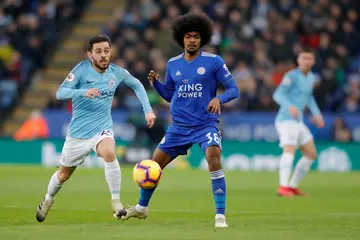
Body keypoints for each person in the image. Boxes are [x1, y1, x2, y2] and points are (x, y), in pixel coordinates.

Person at [121, 13, 239, 228]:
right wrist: (157, 84)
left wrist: (218, 99)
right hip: (179, 127)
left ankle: (220, 215)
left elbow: (234, 90)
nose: (192, 40)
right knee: (154, 164)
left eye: (196, 36)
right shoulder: (173, 64)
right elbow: (170, 95)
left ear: (202, 39)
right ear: (181, 39)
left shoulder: (214, 62)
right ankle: (141, 208)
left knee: (214, 156)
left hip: (205, 124)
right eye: (188, 36)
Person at [35, 35, 156, 222]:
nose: (103, 55)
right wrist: (83, 92)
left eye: (106, 51)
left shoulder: (116, 72)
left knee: (109, 152)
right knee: (63, 175)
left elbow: (138, 85)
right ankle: (48, 198)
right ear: (90, 55)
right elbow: (60, 93)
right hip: (78, 134)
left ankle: (116, 201)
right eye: (98, 51)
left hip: (102, 128)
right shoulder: (81, 70)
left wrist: (148, 111)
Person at [273, 47, 325, 197]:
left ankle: (293, 186)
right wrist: (290, 106)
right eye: (304, 58)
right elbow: (277, 95)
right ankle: (283, 187)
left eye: (310, 58)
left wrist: (317, 114)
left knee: (311, 153)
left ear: (313, 61)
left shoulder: (311, 77)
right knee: (289, 149)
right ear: (299, 60)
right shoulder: (291, 76)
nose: (307, 61)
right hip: (286, 120)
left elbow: (308, 97)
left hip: (298, 121)